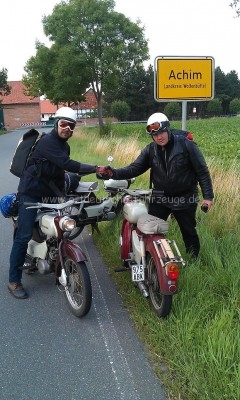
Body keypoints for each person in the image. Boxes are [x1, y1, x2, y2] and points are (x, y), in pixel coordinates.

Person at [8, 106, 107, 299]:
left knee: (60, 226)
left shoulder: (64, 146)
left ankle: (52, 257)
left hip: (48, 192)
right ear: (56, 123)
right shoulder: (47, 142)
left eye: (71, 126)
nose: (67, 129)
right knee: (23, 235)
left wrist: (63, 196)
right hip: (30, 193)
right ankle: (14, 281)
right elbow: (68, 165)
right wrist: (95, 168)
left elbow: (59, 173)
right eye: (63, 124)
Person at [100, 112, 214, 260]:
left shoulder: (186, 145)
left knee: (188, 231)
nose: (159, 137)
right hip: (160, 195)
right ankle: (153, 260)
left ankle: (194, 260)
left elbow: (202, 171)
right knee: (150, 228)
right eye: (155, 135)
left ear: (167, 129)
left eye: (161, 132)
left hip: (185, 196)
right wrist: (112, 173)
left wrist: (208, 197)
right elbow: (134, 168)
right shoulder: (151, 150)